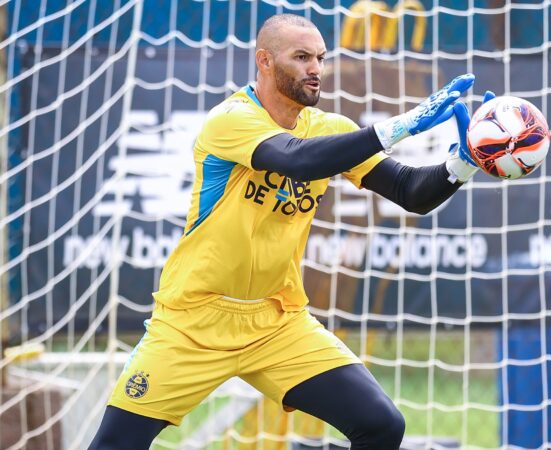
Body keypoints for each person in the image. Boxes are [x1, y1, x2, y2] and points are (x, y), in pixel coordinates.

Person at [88, 13, 489, 450]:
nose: (315, 68)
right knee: (115, 445)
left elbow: (410, 192)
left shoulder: (331, 128)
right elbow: (296, 159)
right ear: (264, 61)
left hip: (277, 321)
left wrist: (464, 162)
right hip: (193, 321)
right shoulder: (230, 120)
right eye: (301, 57)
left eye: (319, 57)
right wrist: (399, 126)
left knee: (381, 425)